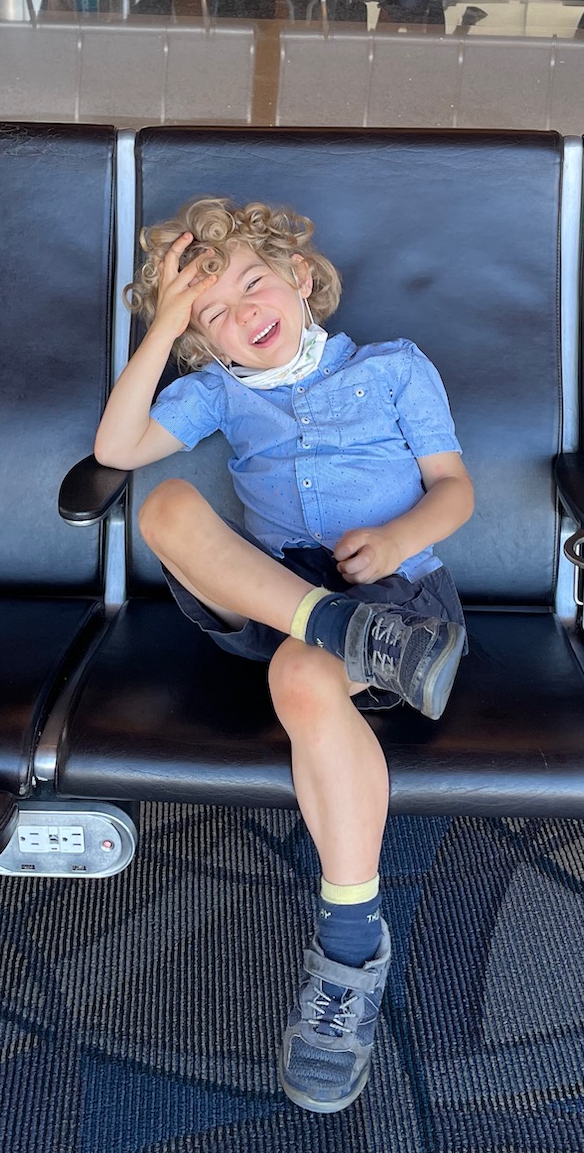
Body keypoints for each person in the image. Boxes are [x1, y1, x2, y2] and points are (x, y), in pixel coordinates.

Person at [99, 200, 474, 1116]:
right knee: (163, 508)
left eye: (252, 285)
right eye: (211, 313)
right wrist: (161, 328)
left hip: (395, 597)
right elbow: (117, 448)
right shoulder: (217, 391)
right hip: (274, 587)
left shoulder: (394, 367)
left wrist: (392, 541)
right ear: (202, 342)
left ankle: (350, 950)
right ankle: (337, 632)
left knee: (300, 674)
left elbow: (453, 490)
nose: (241, 315)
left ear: (302, 281)